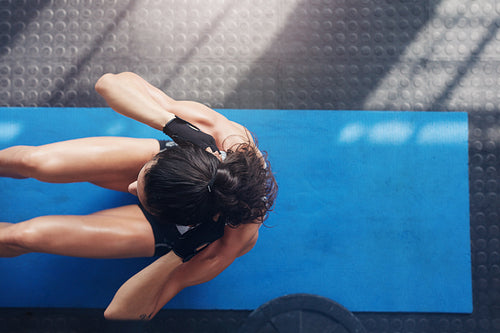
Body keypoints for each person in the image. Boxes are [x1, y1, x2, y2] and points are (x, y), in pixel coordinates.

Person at [0, 72, 277, 320]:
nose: (131, 187)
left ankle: (157, 197)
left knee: (24, 236)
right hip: (175, 173)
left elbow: (122, 313)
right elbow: (110, 83)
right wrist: (172, 124)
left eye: (139, 191)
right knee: (36, 162)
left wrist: (181, 252)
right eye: (139, 180)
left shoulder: (222, 246)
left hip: (167, 227)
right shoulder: (220, 135)